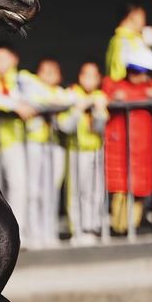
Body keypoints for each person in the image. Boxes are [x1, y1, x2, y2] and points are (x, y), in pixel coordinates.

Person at [0, 44, 37, 244]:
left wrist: (19, 103)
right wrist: (14, 105)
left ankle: (19, 233)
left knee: (19, 186)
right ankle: (1, 236)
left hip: (17, 141)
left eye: (4, 58)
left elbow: (36, 98)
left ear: (14, 59)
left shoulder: (23, 79)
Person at [103, 44, 152, 233]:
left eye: (141, 72)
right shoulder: (114, 85)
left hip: (143, 151)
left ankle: (132, 227)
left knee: (140, 190)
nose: (137, 76)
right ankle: (120, 228)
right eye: (133, 71)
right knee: (121, 191)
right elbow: (109, 92)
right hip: (120, 151)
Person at [25, 58, 74, 248]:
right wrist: (52, 103)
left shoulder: (62, 93)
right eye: (45, 70)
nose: (49, 74)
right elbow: (33, 100)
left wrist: (56, 103)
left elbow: (70, 104)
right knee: (34, 190)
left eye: (53, 71)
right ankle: (33, 233)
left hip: (55, 145)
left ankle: (49, 232)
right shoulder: (32, 87)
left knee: (51, 190)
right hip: (34, 143)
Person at [58, 62, 108, 245]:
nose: (88, 80)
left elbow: (100, 128)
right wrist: (78, 109)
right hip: (76, 150)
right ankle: (77, 229)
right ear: (79, 77)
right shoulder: (70, 95)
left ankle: (91, 227)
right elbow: (65, 126)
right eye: (85, 75)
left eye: (93, 76)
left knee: (95, 191)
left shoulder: (100, 97)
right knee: (76, 192)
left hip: (95, 150)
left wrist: (99, 111)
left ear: (99, 79)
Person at [105, 3, 152, 82]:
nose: (144, 20)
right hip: (128, 88)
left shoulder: (139, 38)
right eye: (142, 16)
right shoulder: (120, 40)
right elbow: (117, 74)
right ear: (132, 15)